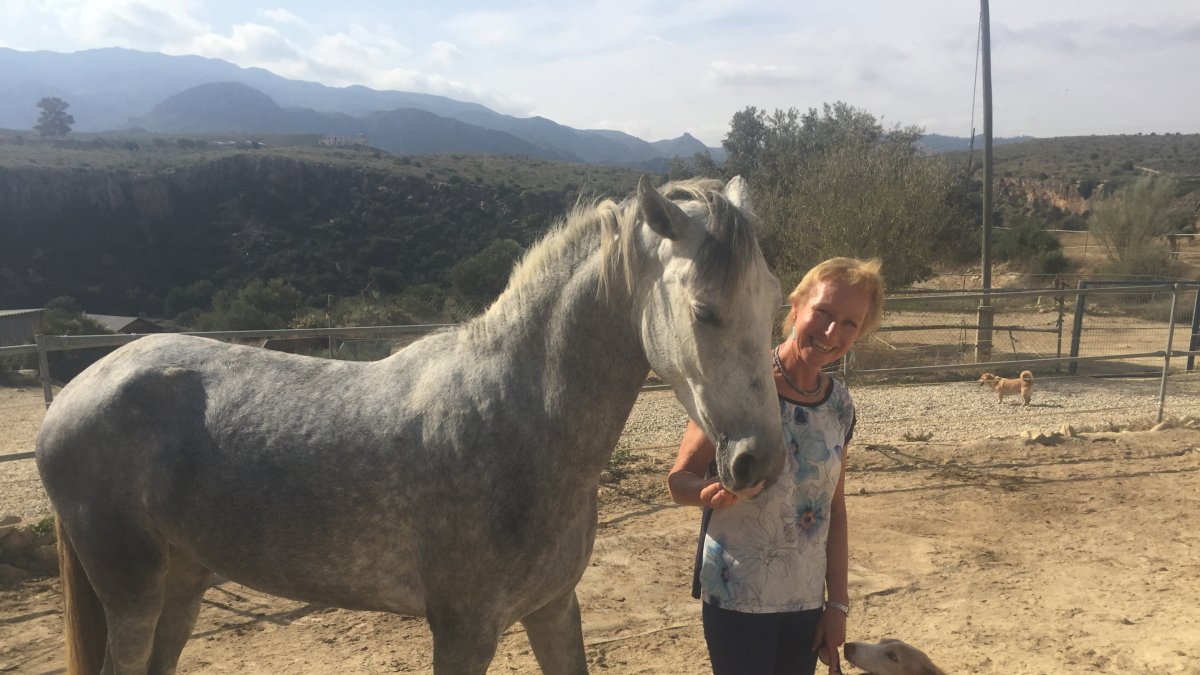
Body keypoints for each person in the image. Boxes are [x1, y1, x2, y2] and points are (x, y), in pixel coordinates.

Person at [668, 257, 884, 675]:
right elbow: (679, 481)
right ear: (796, 305)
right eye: (823, 312)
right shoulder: (735, 385)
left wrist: (837, 605)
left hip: (805, 602)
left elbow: (834, 510)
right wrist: (707, 493)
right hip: (737, 594)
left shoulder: (839, 405)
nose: (832, 332)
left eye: (849, 323)